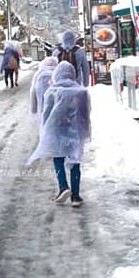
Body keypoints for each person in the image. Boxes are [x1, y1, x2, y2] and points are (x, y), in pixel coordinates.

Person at [26, 61, 91, 207]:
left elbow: (46, 114)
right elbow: (86, 114)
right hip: (74, 132)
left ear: (57, 74)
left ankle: (63, 187)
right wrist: (85, 132)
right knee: (75, 161)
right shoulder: (81, 92)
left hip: (56, 130)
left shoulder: (51, 91)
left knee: (58, 159)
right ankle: (76, 196)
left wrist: (44, 132)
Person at [29, 55, 58, 121]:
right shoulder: (58, 73)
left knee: (43, 111)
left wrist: (34, 110)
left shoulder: (38, 74)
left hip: (42, 100)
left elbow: (33, 91)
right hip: (56, 101)